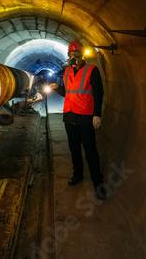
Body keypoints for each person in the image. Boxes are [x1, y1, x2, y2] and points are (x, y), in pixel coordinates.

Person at [50, 40, 108, 200]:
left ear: (82, 56)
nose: (73, 58)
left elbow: (98, 93)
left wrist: (97, 115)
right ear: (68, 57)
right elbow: (68, 93)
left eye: (76, 55)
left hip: (85, 116)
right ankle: (78, 174)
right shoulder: (67, 71)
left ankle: (98, 183)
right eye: (70, 55)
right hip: (69, 115)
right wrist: (58, 88)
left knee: (90, 149)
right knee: (74, 148)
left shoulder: (92, 70)